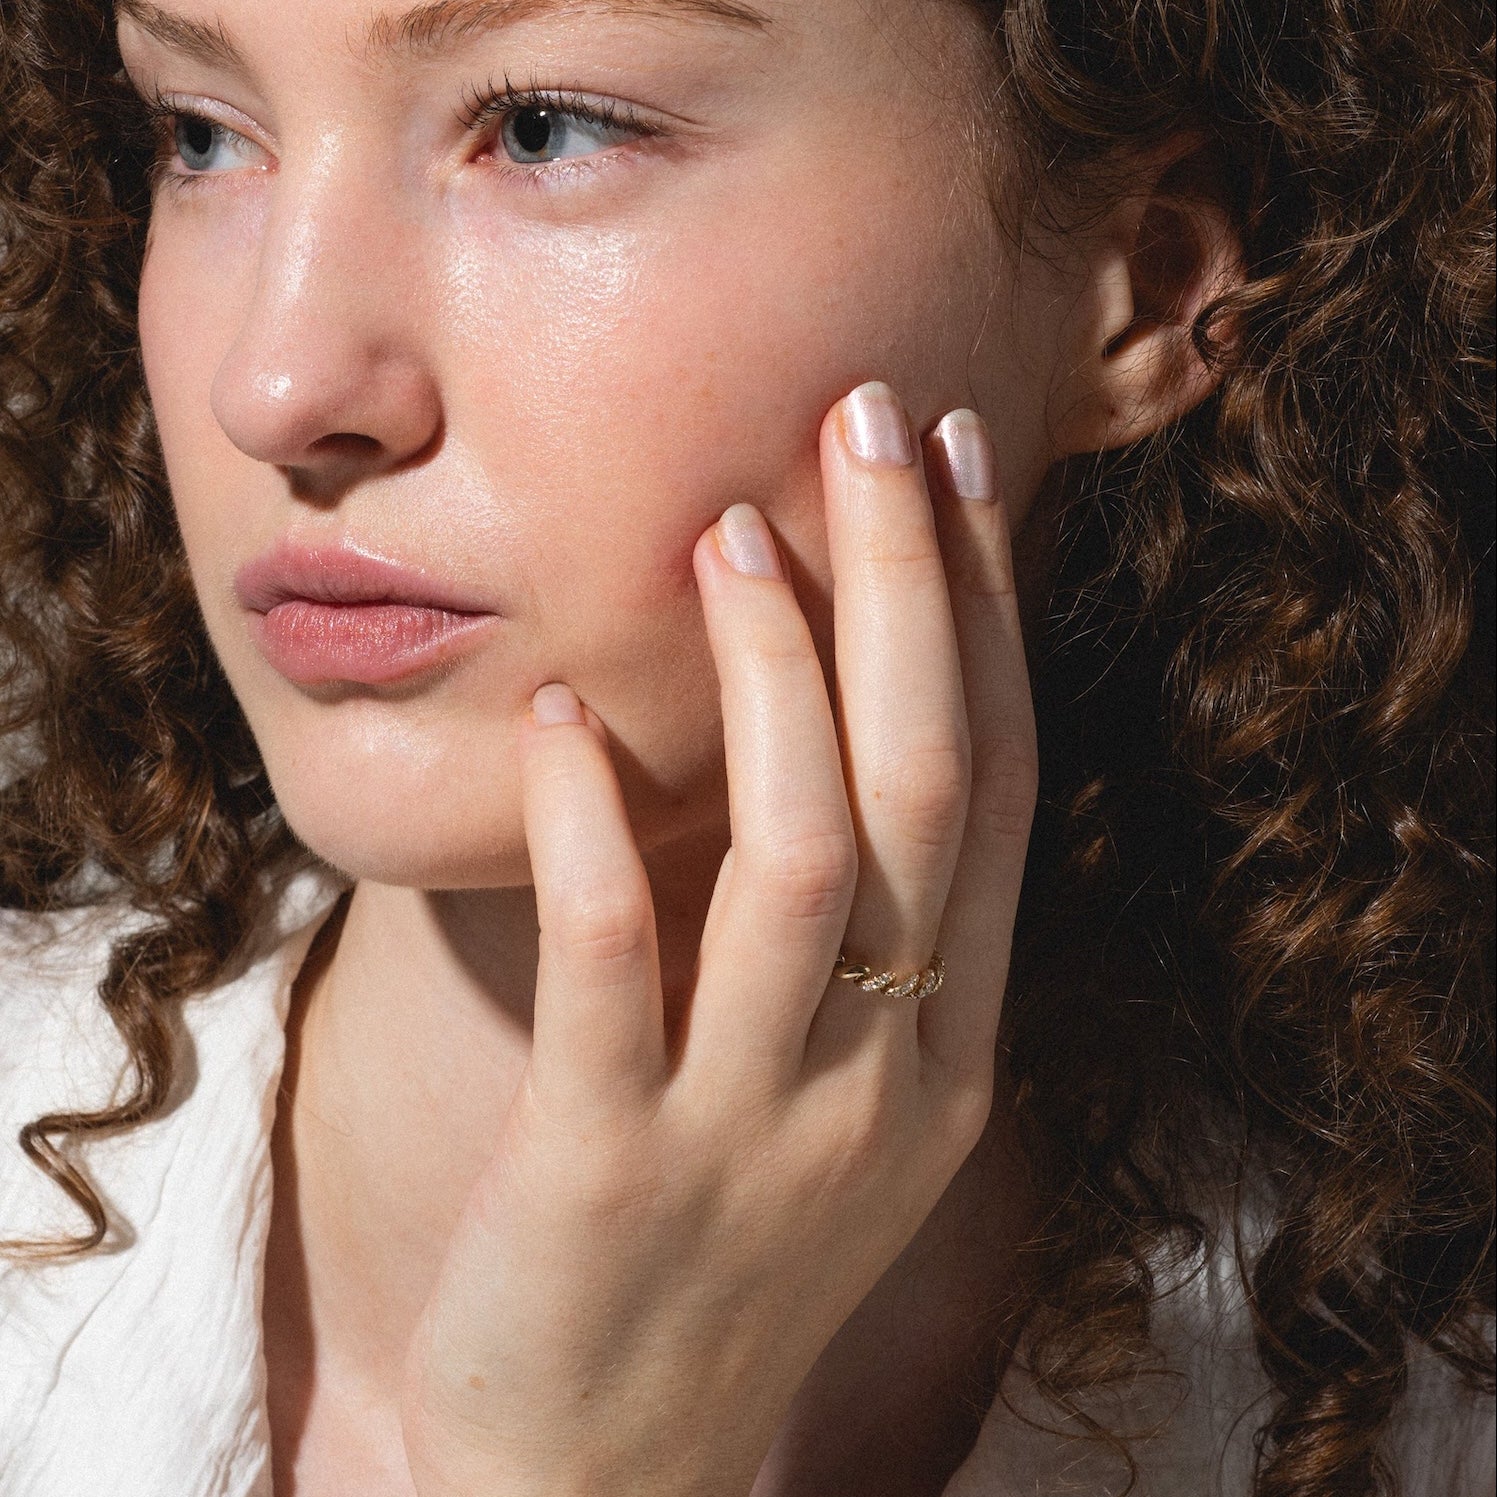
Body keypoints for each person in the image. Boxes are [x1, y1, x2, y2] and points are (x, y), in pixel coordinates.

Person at [0, 0, 1491, 1493]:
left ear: (1149, 281)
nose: (275, 386)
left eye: (544, 125)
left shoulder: (1421, 1383)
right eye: (201, 136)